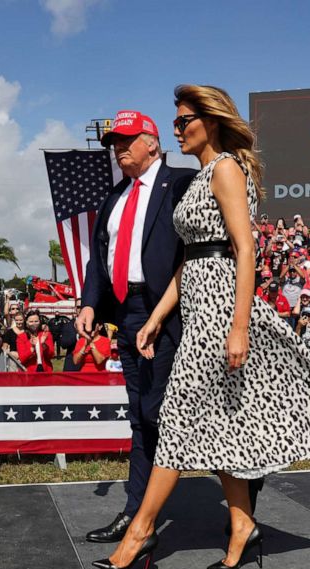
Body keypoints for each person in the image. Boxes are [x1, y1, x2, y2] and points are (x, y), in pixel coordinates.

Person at [96, 85, 310, 569]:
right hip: (197, 307)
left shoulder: (224, 169)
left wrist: (238, 327)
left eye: (183, 121)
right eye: (174, 122)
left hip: (222, 311)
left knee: (176, 421)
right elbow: (190, 260)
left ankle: (141, 531)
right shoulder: (202, 175)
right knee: (222, 425)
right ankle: (242, 523)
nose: (176, 129)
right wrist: (157, 318)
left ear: (211, 122)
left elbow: (245, 250)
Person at [75, 108, 196, 544]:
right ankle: (136, 513)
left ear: (152, 141)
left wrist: (162, 313)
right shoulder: (115, 197)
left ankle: (148, 516)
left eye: (127, 140)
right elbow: (99, 260)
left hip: (166, 310)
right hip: (125, 315)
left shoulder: (182, 183)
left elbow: (196, 249)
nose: (120, 149)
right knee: (141, 415)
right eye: (114, 144)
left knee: (155, 411)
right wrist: (90, 304)